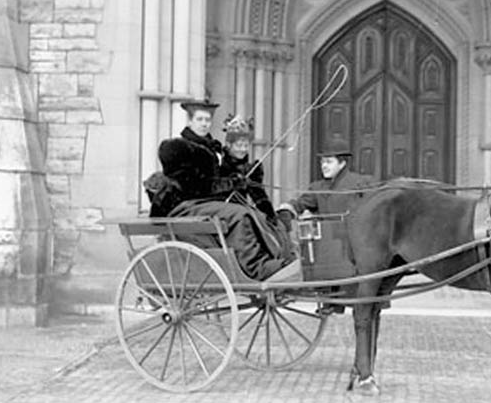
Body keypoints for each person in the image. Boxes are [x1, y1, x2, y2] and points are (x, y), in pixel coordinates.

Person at [144, 97, 299, 282]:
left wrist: (243, 175)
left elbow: (224, 174)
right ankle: (255, 267)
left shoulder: (213, 148)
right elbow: (193, 186)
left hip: (206, 203)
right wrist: (231, 183)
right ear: (190, 121)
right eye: (200, 119)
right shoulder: (177, 148)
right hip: (184, 204)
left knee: (257, 214)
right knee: (240, 215)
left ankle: (275, 259)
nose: (204, 124)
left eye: (208, 120)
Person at [276, 138, 377, 313]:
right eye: (322, 162)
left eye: (329, 162)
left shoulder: (361, 184)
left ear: (343, 163)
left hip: (355, 246)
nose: (324, 166)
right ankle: (331, 300)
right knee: (324, 249)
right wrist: (288, 209)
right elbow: (300, 203)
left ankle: (341, 300)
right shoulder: (318, 187)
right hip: (329, 249)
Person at [218, 114, 276, 221]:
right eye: (239, 146)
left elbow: (259, 196)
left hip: (241, 216)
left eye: (246, 146)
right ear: (228, 144)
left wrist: (270, 215)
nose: (243, 150)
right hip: (220, 213)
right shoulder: (218, 164)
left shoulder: (251, 169)